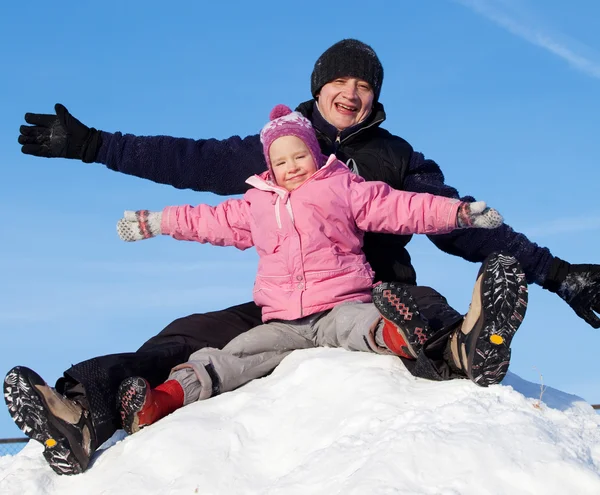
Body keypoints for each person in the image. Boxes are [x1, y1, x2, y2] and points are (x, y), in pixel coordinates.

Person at [4, 38, 598, 475]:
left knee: (416, 307)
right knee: (182, 338)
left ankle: (467, 345)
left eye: (365, 86)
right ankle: (82, 414)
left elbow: (448, 218)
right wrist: (95, 146)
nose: (353, 92)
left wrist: (557, 274)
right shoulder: (270, 157)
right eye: (342, 81)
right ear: (319, 89)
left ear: (374, 100)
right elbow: (183, 159)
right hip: (282, 303)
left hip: (372, 294)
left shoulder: (395, 158)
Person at [112, 104, 505, 434]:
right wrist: (157, 221)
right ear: (270, 165)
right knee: (230, 355)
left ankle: (406, 332)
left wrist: (458, 213)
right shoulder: (255, 205)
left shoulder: (341, 188)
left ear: (315, 154)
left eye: (299, 156)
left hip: (339, 304)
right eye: (281, 161)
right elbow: (206, 221)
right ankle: (160, 401)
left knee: (365, 326)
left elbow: (401, 207)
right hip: (282, 321)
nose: (292, 166)